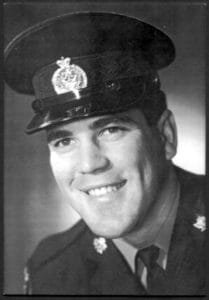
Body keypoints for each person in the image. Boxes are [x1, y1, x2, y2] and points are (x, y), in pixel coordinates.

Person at [4, 12, 206, 295]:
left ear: (165, 136)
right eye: (63, 141)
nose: (89, 164)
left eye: (111, 130)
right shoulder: (53, 272)